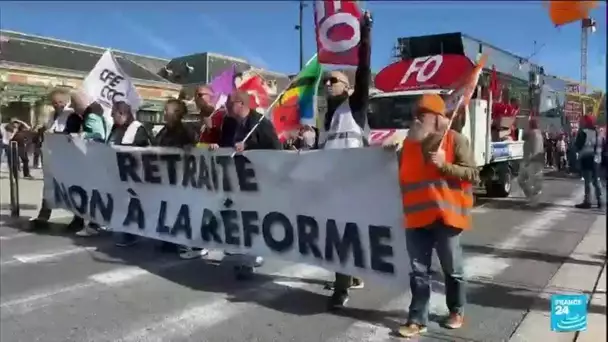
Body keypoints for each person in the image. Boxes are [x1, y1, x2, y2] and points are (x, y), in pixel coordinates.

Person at [383, 94, 478, 338]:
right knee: (418, 272)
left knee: (452, 269)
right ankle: (417, 319)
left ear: (437, 118)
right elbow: (400, 175)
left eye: (421, 114)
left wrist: (445, 165)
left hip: (446, 218)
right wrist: (387, 152)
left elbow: (474, 175)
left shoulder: (455, 141)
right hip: (416, 220)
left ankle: (456, 310)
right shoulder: (407, 146)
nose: (416, 119)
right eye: (415, 114)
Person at [318, 10, 372, 310]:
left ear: (347, 88)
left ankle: (341, 289)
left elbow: (363, 70)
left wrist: (365, 36)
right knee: (340, 237)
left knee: (343, 237)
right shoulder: (327, 117)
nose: (327, 85)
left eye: (333, 81)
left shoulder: (355, 107)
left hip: (354, 185)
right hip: (332, 186)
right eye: (325, 82)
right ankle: (350, 275)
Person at [219, 90, 282, 280]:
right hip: (237, 179)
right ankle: (247, 255)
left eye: (229, 104)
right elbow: (224, 145)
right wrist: (217, 147)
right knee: (241, 216)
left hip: (259, 179)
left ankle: (251, 258)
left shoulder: (260, 123)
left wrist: (249, 147)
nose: (226, 107)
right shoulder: (229, 123)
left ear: (240, 104)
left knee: (254, 216)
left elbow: (275, 149)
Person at [154, 99, 210, 259]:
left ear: (177, 114)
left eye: (167, 111)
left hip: (183, 179)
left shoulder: (186, 130)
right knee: (168, 208)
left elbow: (196, 149)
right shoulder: (163, 131)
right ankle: (169, 239)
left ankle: (196, 244)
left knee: (187, 210)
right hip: (166, 178)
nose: (164, 113)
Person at [29, 89, 87, 231]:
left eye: (60, 102)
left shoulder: (72, 116)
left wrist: (55, 135)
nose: (57, 105)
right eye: (54, 103)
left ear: (66, 101)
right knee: (49, 186)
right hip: (52, 157)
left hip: (67, 159)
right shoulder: (52, 115)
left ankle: (78, 218)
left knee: (71, 188)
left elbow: (72, 135)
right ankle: (43, 215)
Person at [106, 101, 151, 246]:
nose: (112, 117)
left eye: (114, 114)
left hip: (135, 175)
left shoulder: (138, 129)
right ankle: (125, 229)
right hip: (119, 174)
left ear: (122, 114)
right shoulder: (116, 128)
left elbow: (144, 151)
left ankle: (131, 234)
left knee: (132, 203)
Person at [574, 114, 604, 209]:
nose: (580, 122)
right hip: (597, 159)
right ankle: (600, 200)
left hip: (587, 158)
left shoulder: (583, 132)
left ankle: (587, 201)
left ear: (586, 122)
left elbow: (578, 145)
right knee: (596, 180)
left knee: (588, 181)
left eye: (582, 120)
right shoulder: (598, 132)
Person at [519, 118, 545, 203]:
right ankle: (532, 195)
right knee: (534, 180)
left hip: (530, 160)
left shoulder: (532, 133)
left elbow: (523, 137)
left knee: (523, 180)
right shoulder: (539, 133)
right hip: (536, 160)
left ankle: (531, 196)